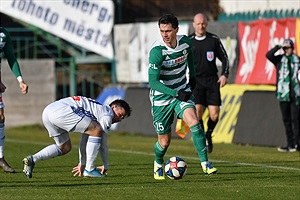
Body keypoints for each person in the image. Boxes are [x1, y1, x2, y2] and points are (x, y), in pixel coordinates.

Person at [148, 14, 217, 180]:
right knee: (164, 142)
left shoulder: (185, 42)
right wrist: (174, 93)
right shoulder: (157, 52)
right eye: (162, 31)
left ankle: (205, 164)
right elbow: (153, 82)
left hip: (181, 91)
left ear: (176, 30)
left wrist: (192, 77)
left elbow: (190, 57)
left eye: (168, 30)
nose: (165, 34)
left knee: (194, 122)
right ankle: (158, 162)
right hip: (161, 98)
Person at [22, 96, 131, 178]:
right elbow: (103, 144)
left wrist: (82, 162)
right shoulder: (107, 114)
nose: (119, 119)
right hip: (62, 111)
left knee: (64, 147)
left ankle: (33, 159)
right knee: (97, 130)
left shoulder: (97, 111)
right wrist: (105, 165)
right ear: (113, 107)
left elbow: (85, 139)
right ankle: (90, 169)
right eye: (120, 115)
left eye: (122, 118)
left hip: (48, 111)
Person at [189, 13, 229, 153]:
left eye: (203, 23)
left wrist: (224, 74)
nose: (201, 26)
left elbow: (224, 58)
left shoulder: (213, 40)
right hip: (196, 82)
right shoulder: (189, 41)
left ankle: (208, 134)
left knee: (214, 115)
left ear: (206, 24)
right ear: (194, 24)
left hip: (212, 81)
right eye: (198, 23)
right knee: (198, 112)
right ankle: (202, 137)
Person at [0, 27, 29, 173]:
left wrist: (20, 81)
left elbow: (10, 57)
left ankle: (0, 157)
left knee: (0, 117)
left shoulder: (4, 35)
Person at [266, 39, 300, 152]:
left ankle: (296, 144)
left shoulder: (297, 60)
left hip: (296, 94)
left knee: (296, 120)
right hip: (283, 94)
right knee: (286, 120)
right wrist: (279, 46)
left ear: (293, 48)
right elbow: (268, 55)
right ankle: (290, 144)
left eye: (288, 48)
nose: (286, 50)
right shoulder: (280, 59)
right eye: (285, 48)